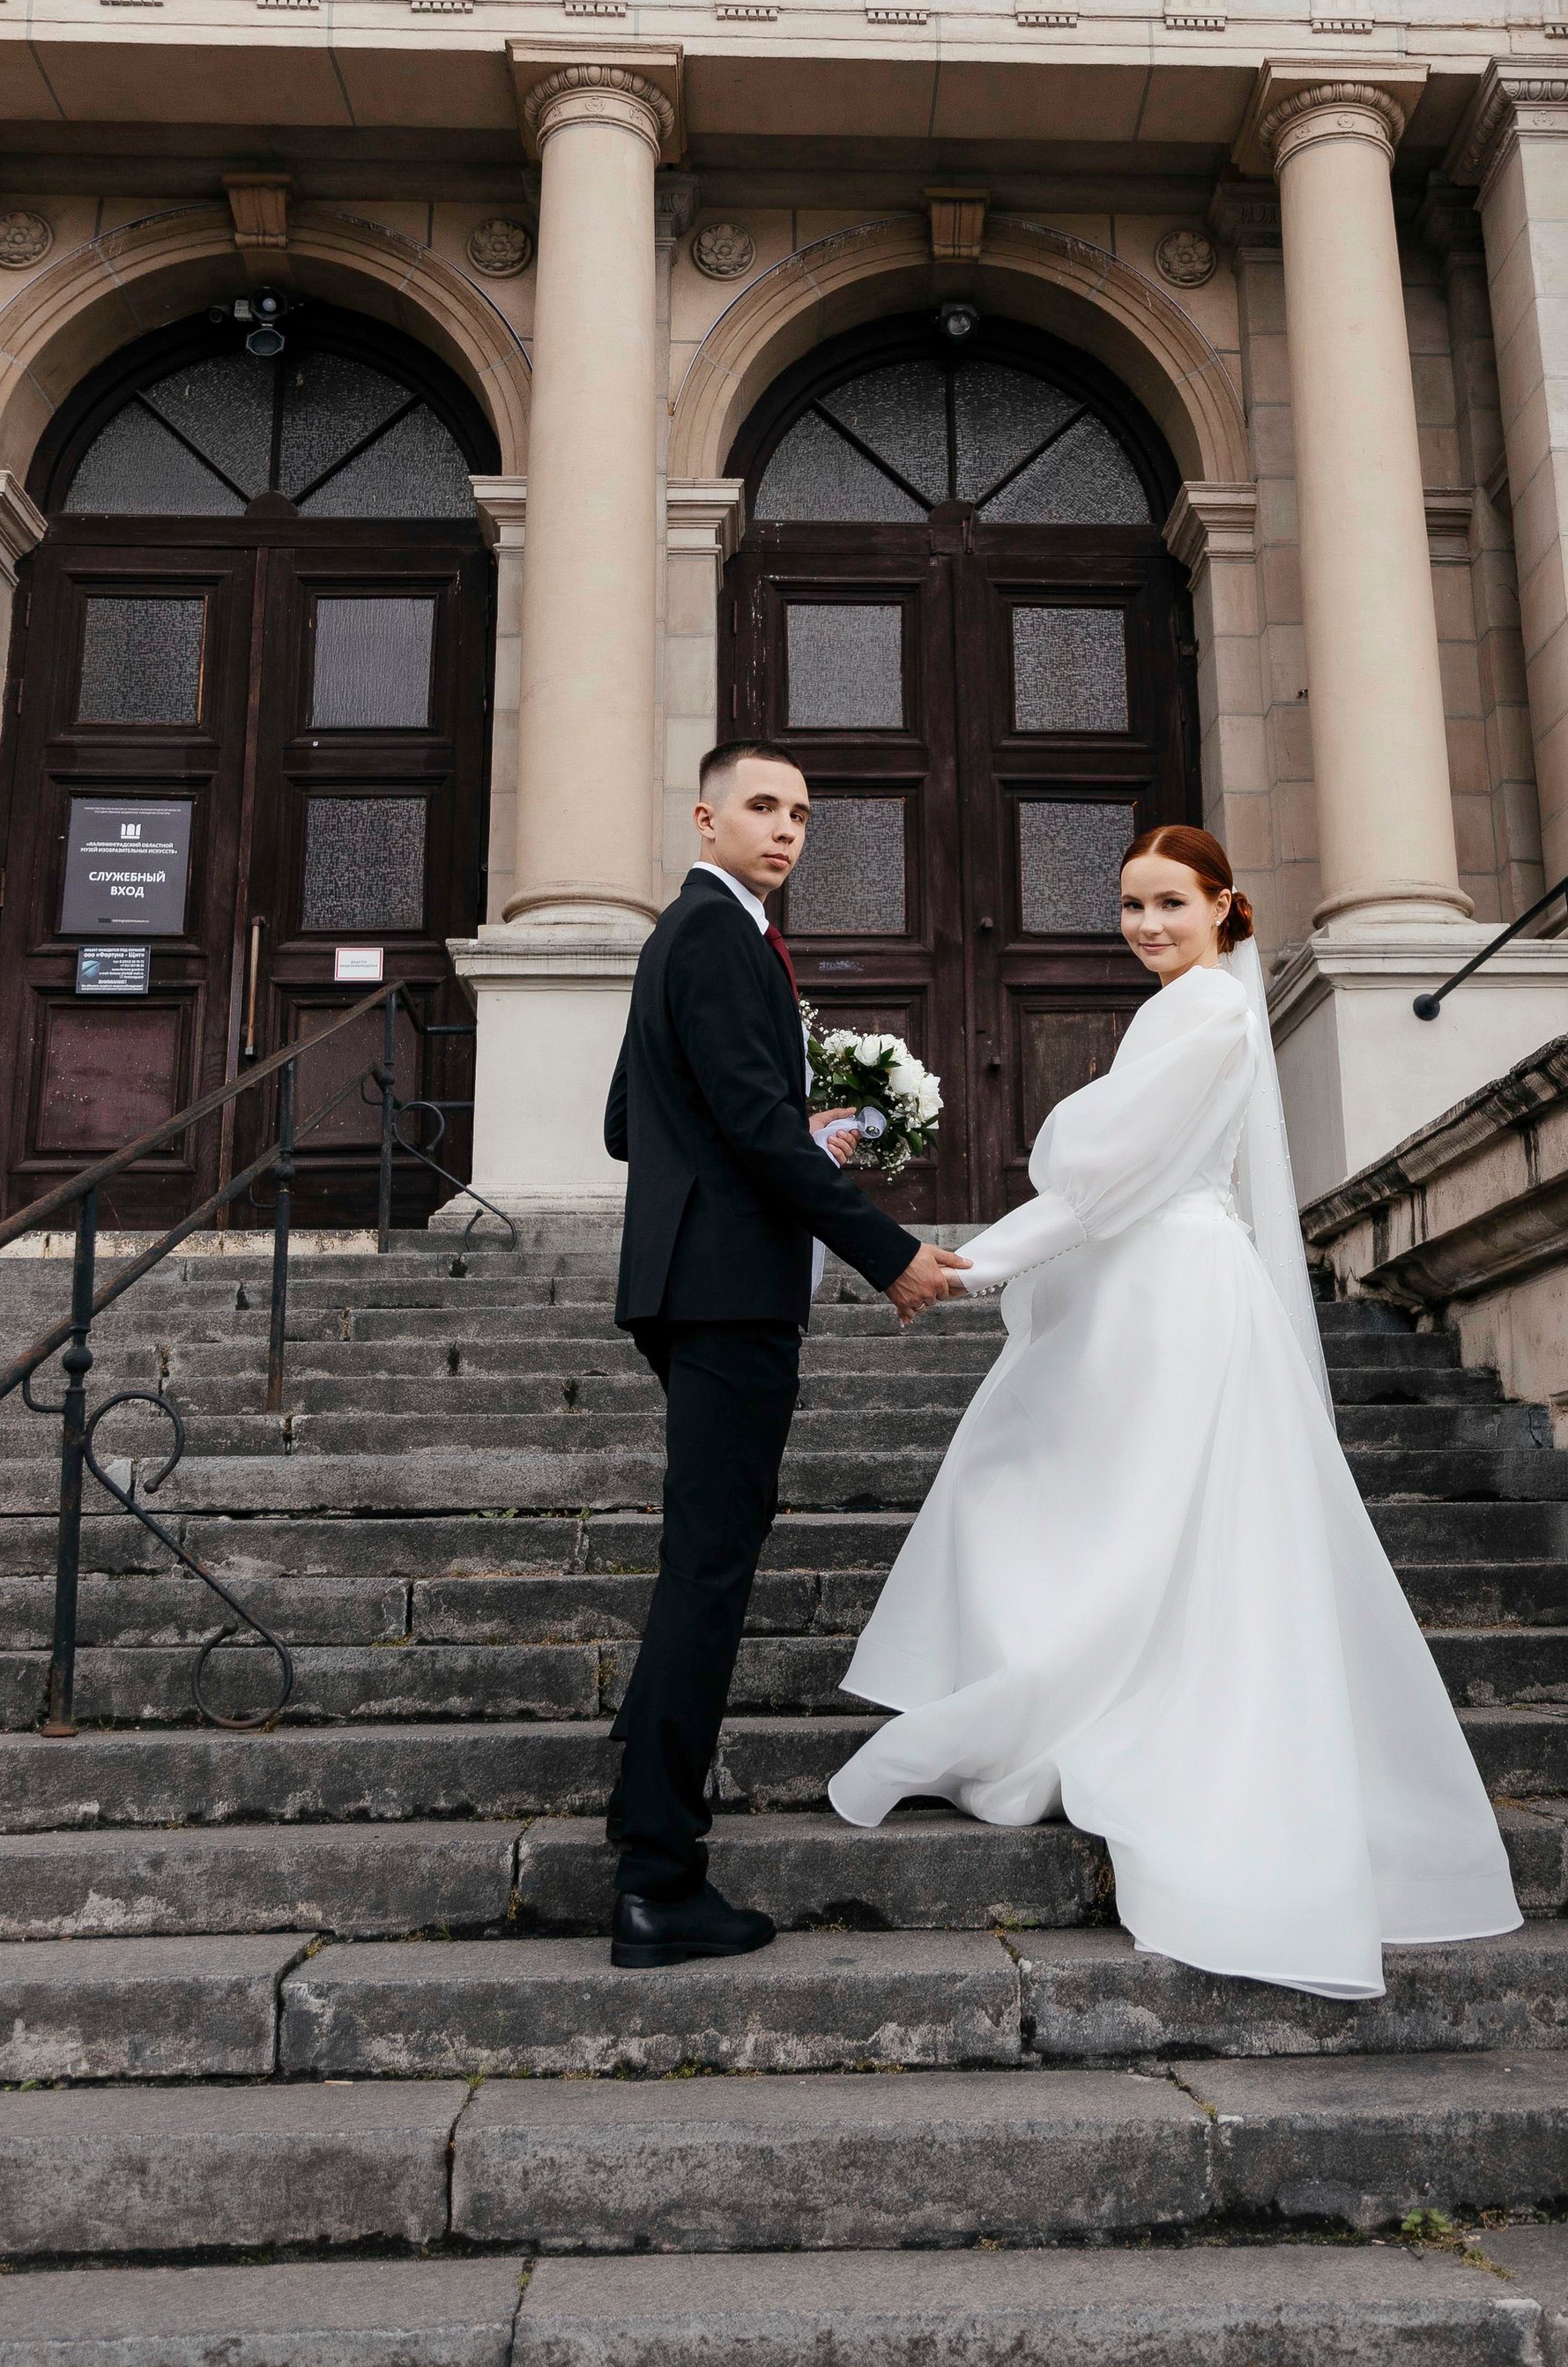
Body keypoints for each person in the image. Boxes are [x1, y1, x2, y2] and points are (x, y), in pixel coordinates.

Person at [829, 823, 1520, 1997]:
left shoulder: (1206, 1013)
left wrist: (971, 1267)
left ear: (1224, 907)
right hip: (1148, 1285)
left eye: (1169, 904)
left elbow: (1107, 1182)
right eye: (1130, 905)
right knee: (1100, 1497)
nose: (1146, 925)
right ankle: (1070, 1679)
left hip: (1169, 1295)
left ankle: (1082, 1695)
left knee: (1112, 1502)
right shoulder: (1184, 1009)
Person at [603, 739, 968, 1969]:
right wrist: (887, 1252)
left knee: (704, 1557)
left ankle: (649, 1817)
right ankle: (658, 1875)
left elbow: (629, 1121)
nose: (786, 830)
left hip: (694, 1285)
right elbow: (752, 1129)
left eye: (801, 815)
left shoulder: (690, 935)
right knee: (710, 1568)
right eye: (762, 807)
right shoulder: (719, 932)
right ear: (705, 818)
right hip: (727, 1293)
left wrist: (768, 1122)